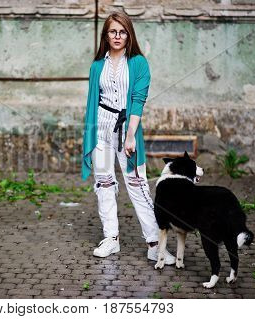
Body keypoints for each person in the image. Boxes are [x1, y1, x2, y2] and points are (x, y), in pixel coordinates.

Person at [81, 11, 175, 264]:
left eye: (122, 31)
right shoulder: (96, 65)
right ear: (106, 34)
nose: (117, 36)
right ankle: (111, 238)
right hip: (100, 129)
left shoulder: (138, 63)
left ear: (129, 34)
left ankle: (155, 244)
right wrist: (90, 135)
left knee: (137, 185)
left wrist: (131, 135)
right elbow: (93, 102)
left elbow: (137, 101)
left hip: (127, 129)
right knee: (104, 182)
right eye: (113, 31)